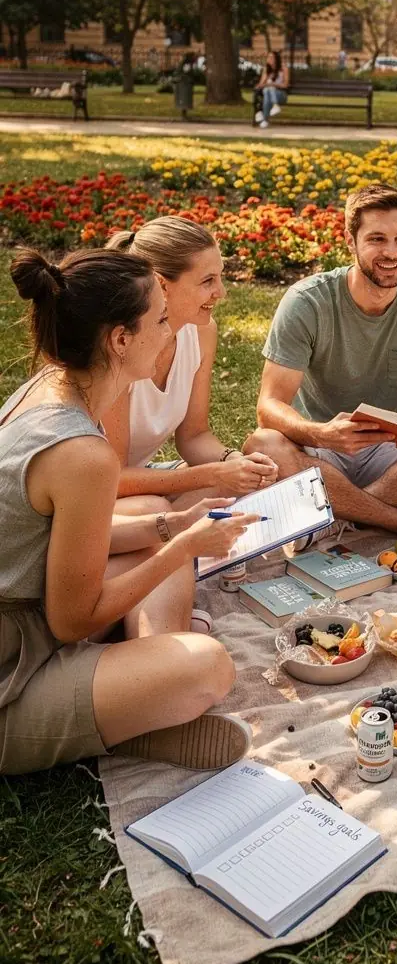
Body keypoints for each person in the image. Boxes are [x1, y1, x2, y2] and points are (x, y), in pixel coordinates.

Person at [0, 247, 258, 777]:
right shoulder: (83, 453)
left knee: (147, 518)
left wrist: (172, 525)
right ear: (120, 339)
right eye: (160, 320)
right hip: (14, 670)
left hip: (28, 609)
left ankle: (134, 701)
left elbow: (58, 542)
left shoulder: (50, 388)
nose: (170, 332)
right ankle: (131, 721)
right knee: (206, 664)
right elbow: (72, 621)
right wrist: (183, 549)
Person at [244, 184, 397, 542]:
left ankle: (335, 514)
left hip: (392, 454)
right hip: (320, 448)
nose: (391, 253)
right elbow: (269, 407)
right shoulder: (306, 301)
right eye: (377, 239)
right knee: (263, 445)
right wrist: (321, 433)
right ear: (350, 241)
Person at [104, 218, 278, 519]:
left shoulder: (200, 332)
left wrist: (233, 460)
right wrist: (215, 474)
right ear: (161, 284)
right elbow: (113, 478)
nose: (221, 292)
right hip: (89, 492)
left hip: (137, 481)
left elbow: (194, 436)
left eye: (220, 278)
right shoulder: (118, 345)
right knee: (155, 511)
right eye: (207, 281)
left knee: (236, 487)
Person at [254, 51, 290, 127]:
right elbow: (261, 85)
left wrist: (273, 84)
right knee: (267, 91)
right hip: (268, 94)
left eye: (272, 57)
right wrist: (266, 77)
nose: (269, 59)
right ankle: (274, 106)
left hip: (281, 95)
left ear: (276, 59)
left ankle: (265, 119)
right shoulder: (266, 69)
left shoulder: (284, 68)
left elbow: (285, 85)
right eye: (268, 57)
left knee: (269, 89)